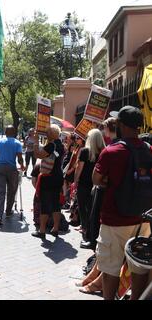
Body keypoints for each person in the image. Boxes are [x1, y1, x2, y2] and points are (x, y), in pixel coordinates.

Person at [93, 105, 152, 300]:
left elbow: (96, 179)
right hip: (142, 219)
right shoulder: (149, 150)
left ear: (121, 125)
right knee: (139, 267)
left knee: (110, 268)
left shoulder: (111, 151)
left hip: (114, 219)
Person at [31, 125, 65, 239]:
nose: (45, 134)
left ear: (50, 134)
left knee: (45, 203)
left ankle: (42, 231)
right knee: (56, 203)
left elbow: (38, 155)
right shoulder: (61, 145)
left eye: (47, 133)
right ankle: (55, 228)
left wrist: (36, 142)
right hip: (58, 176)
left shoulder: (51, 145)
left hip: (48, 176)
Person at [74, 129, 105, 248]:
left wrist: (75, 181)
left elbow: (79, 168)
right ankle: (90, 230)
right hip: (97, 184)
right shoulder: (103, 151)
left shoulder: (85, 151)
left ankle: (85, 228)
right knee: (93, 209)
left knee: (83, 207)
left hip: (84, 184)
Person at [0, 126, 25, 227]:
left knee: (0, 192)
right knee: (12, 190)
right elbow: (19, 158)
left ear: (5, 132)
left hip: (0, 168)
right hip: (11, 169)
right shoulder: (17, 143)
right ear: (14, 133)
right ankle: (8, 211)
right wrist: (22, 165)